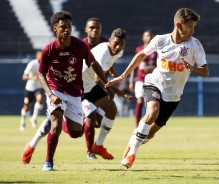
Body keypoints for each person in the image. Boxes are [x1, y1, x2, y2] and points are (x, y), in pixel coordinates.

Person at [106, 8, 209, 169]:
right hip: (153, 84)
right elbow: (141, 55)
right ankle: (132, 153)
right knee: (152, 112)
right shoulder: (160, 40)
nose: (193, 31)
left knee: (151, 132)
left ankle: (132, 142)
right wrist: (124, 75)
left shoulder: (195, 45)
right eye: (190, 27)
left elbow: (205, 71)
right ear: (179, 25)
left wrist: (192, 68)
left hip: (173, 96)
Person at [21, 11, 110, 171]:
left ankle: (57, 118)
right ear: (55, 28)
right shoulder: (49, 49)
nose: (67, 29)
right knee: (55, 127)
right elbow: (41, 73)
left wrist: (105, 84)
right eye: (63, 27)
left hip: (75, 93)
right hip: (56, 90)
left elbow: (94, 64)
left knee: (77, 133)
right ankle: (48, 162)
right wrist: (50, 94)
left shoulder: (80, 46)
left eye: (69, 26)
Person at [84, 28, 135, 159]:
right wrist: (114, 91)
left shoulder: (119, 52)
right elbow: (98, 78)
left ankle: (98, 146)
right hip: (78, 85)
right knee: (74, 130)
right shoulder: (102, 52)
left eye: (121, 45)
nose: (118, 47)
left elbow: (108, 64)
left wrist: (112, 71)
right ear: (109, 40)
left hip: (90, 86)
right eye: (115, 43)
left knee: (111, 109)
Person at [129, 29, 157, 127]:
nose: (149, 37)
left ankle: (147, 124)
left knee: (151, 103)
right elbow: (134, 66)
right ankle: (137, 126)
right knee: (140, 100)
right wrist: (131, 81)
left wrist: (152, 68)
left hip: (152, 81)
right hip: (140, 80)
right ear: (143, 38)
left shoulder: (155, 51)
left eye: (150, 35)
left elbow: (158, 65)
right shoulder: (139, 49)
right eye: (147, 35)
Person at [19, 50, 44, 131]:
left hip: (39, 87)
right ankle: (22, 122)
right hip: (30, 88)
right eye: (40, 55)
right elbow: (24, 76)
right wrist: (33, 78)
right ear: (37, 56)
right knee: (27, 106)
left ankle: (34, 118)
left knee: (40, 99)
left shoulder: (45, 64)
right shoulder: (32, 64)